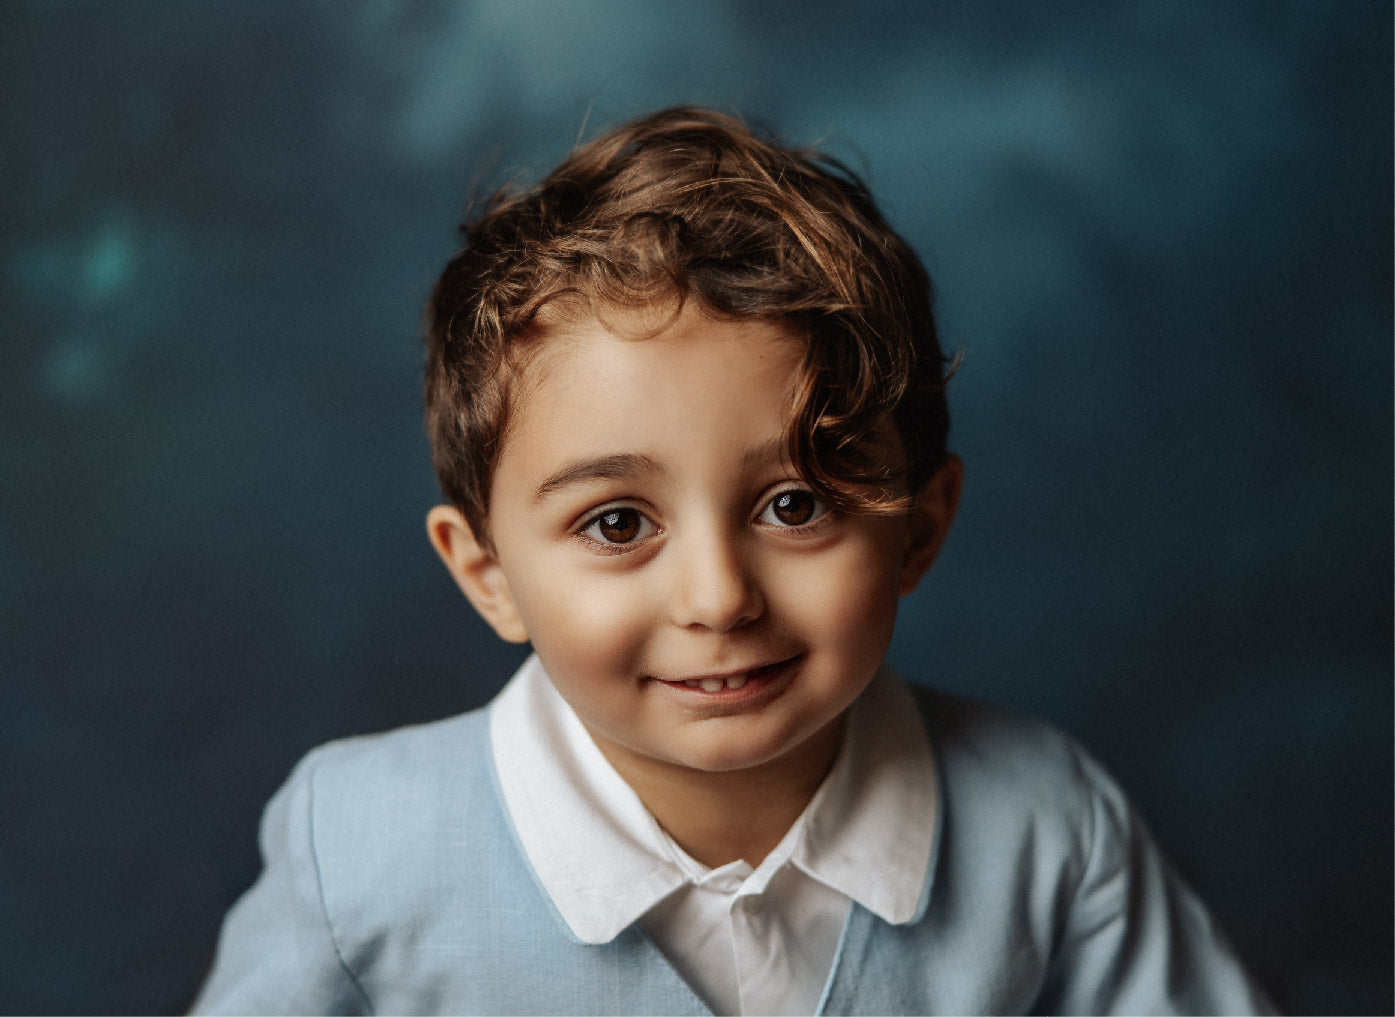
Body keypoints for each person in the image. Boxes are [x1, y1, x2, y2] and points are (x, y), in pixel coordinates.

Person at [193, 107, 1274, 1015]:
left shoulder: (1043, 825)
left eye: (795, 503)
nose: (717, 597)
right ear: (488, 574)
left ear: (920, 530)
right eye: (618, 524)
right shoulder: (362, 850)